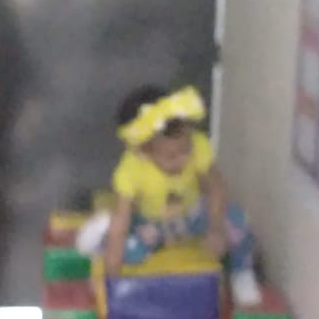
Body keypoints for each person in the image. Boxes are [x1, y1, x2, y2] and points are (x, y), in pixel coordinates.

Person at [78, 84, 262, 307]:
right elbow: (123, 218)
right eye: (171, 156)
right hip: (151, 223)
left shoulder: (198, 146)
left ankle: (242, 271)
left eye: (186, 150)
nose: (182, 160)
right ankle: (100, 238)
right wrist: (111, 277)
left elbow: (216, 187)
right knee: (125, 250)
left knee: (238, 222)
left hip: (191, 215)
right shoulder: (131, 169)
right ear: (143, 150)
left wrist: (215, 227)